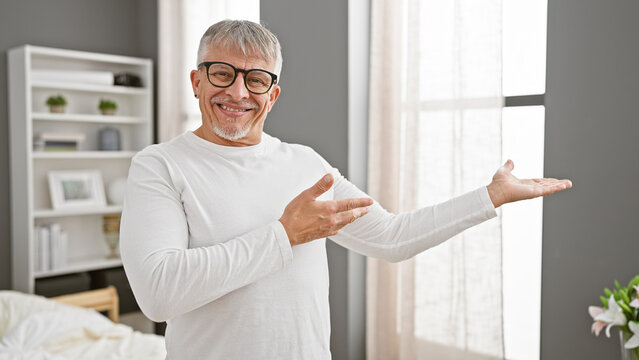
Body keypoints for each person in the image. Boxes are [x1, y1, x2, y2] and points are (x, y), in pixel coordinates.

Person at [120, 20, 572, 359]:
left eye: (256, 79)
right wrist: (284, 235)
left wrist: (488, 197)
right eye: (222, 73)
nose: (238, 91)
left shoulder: (305, 164)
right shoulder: (159, 166)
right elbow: (159, 295)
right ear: (197, 81)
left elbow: (392, 238)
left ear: (272, 95)